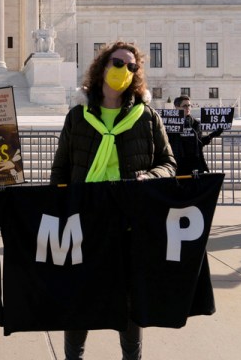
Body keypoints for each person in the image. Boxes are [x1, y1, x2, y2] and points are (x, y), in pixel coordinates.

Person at [49, 41, 176, 360]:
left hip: (130, 219)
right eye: (118, 63)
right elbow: (61, 168)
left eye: (132, 67)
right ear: (103, 66)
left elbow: (169, 163)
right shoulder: (78, 116)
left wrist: (151, 177)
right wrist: (60, 211)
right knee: (80, 294)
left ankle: (131, 358)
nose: (125, 70)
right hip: (85, 216)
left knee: (130, 298)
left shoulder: (146, 116)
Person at [167, 95, 222, 176]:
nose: (187, 108)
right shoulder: (170, 123)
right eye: (184, 106)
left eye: (189, 105)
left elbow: (199, 143)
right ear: (176, 107)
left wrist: (213, 134)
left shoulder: (195, 123)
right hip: (178, 162)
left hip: (194, 163)